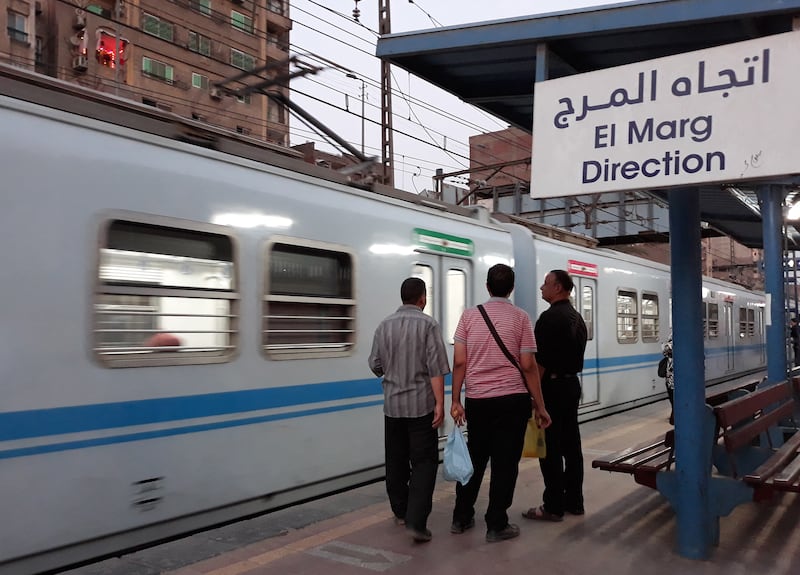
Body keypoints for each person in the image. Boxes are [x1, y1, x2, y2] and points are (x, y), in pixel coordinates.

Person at [450, 263, 551, 543]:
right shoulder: (521, 318)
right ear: (511, 288)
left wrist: (455, 399)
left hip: (478, 401)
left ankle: (461, 516)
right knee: (505, 464)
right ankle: (496, 524)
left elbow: (459, 360)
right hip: (512, 401)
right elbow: (529, 365)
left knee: (475, 460)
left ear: (486, 286)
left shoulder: (468, 317)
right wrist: (540, 405)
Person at [368, 277, 450, 543]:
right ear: (422, 298)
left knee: (396, 460)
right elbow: (436, 368)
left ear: (402, 297)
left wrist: (390, 372)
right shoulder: (429, 325)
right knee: (424, 463)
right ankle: (416, 521)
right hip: (420, 407)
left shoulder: (384, 325)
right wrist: (440, 403)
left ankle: (401, 512)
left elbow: (375, 364)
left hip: (392, 407)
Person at [523, 269, 587, 522]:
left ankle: (553, 506)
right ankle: (575, 501)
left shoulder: (548, 319)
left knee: (550, 447)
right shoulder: (577, 318)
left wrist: (534, 397)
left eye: (546, 284)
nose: (542, 288)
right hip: (572, 386)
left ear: (558, 287)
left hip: (552, 389)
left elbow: (540, 363)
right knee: (572, 446)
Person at [662, 333, 675, 423]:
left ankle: (674, 417)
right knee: (675, 399)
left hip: (670, 376)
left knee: (672, 398)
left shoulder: (667, 346)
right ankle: (674, 417)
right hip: (674, 376)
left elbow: (664, 351)